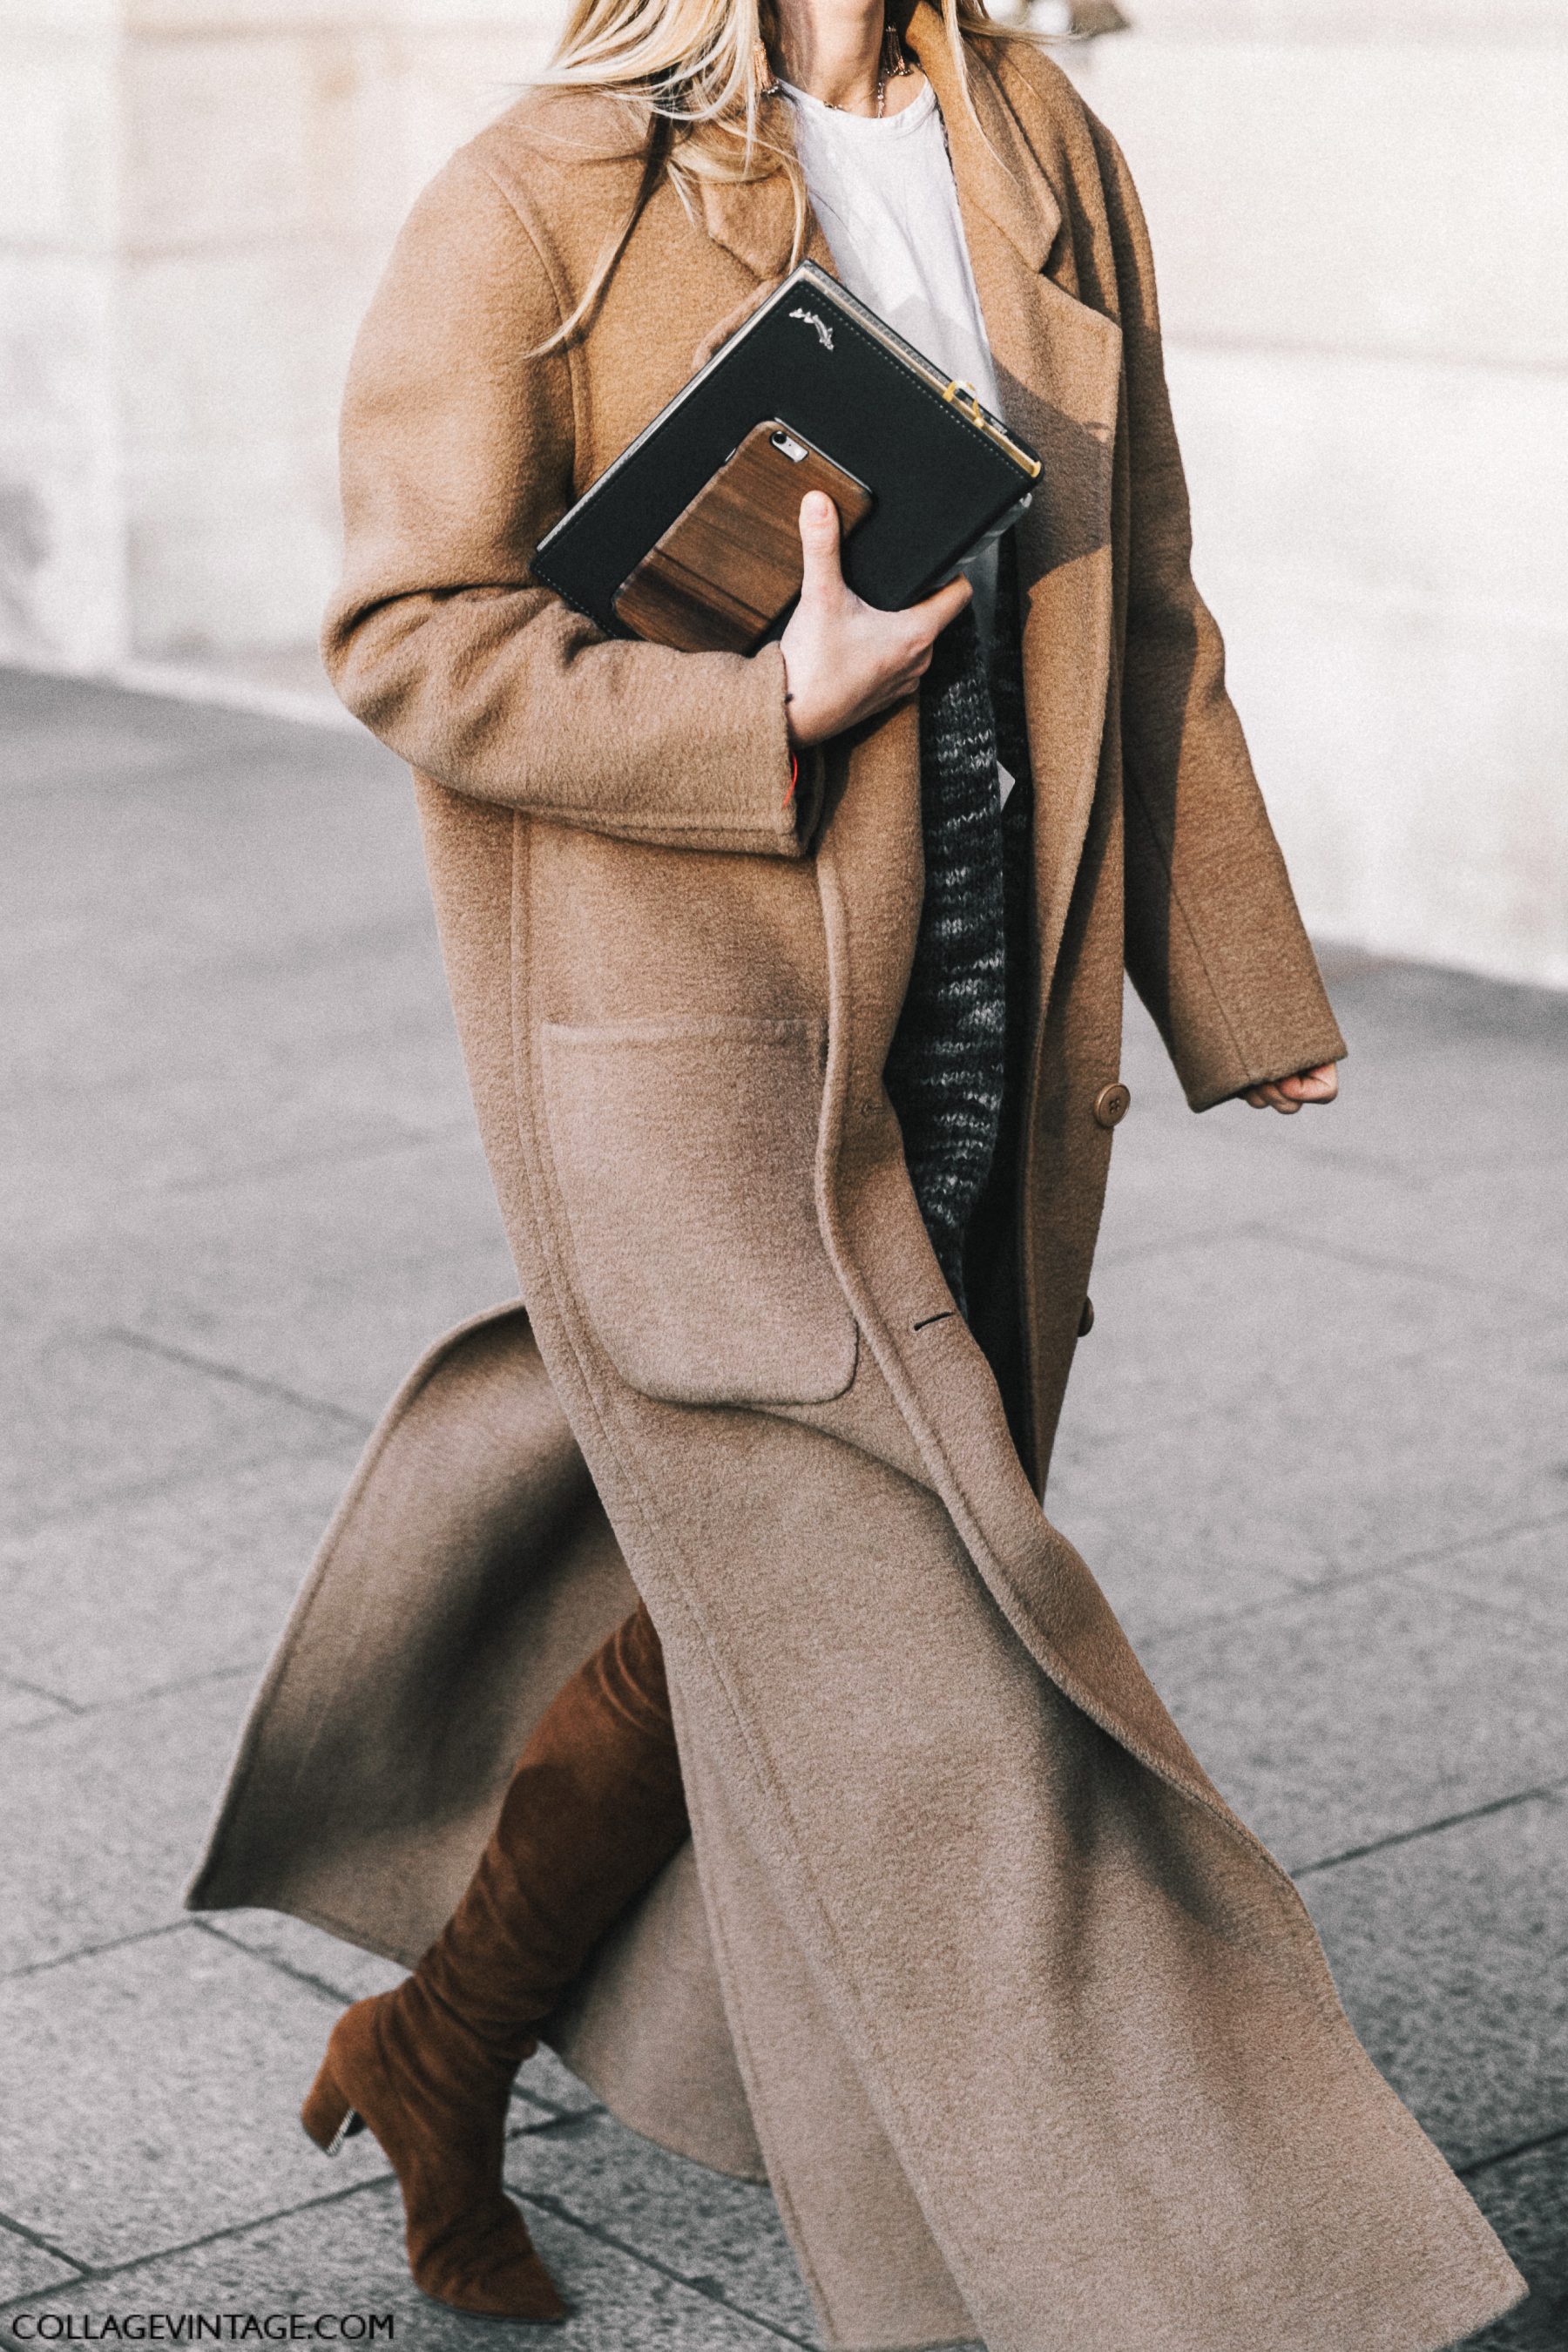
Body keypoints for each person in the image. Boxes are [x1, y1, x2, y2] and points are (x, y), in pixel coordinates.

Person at [187, 0, 1525, 2342]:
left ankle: (436, 2047)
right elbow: (411, 631)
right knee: (960, 1688)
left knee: (772, 1616)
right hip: (704, 1062)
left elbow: (1152, 590)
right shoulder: (545, 186)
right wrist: (756, 708)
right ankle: (1197, 2268)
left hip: (995, 1004)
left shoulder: (1042, 141)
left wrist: (1240, 985)